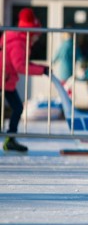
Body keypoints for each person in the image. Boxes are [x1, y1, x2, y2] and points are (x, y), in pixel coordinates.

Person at [1, 8, 49, 152]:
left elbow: (23, 63)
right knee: (17, 107)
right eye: (36, 35)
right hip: (3, 78)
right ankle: (10, 138)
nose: (37, 38)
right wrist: (42, 70)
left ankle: (11, 138)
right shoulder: (18, 42)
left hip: (5, 80)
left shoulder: (18, 39)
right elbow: (20, 66)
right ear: (30, 33)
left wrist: (42, 68)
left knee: (17, 107)